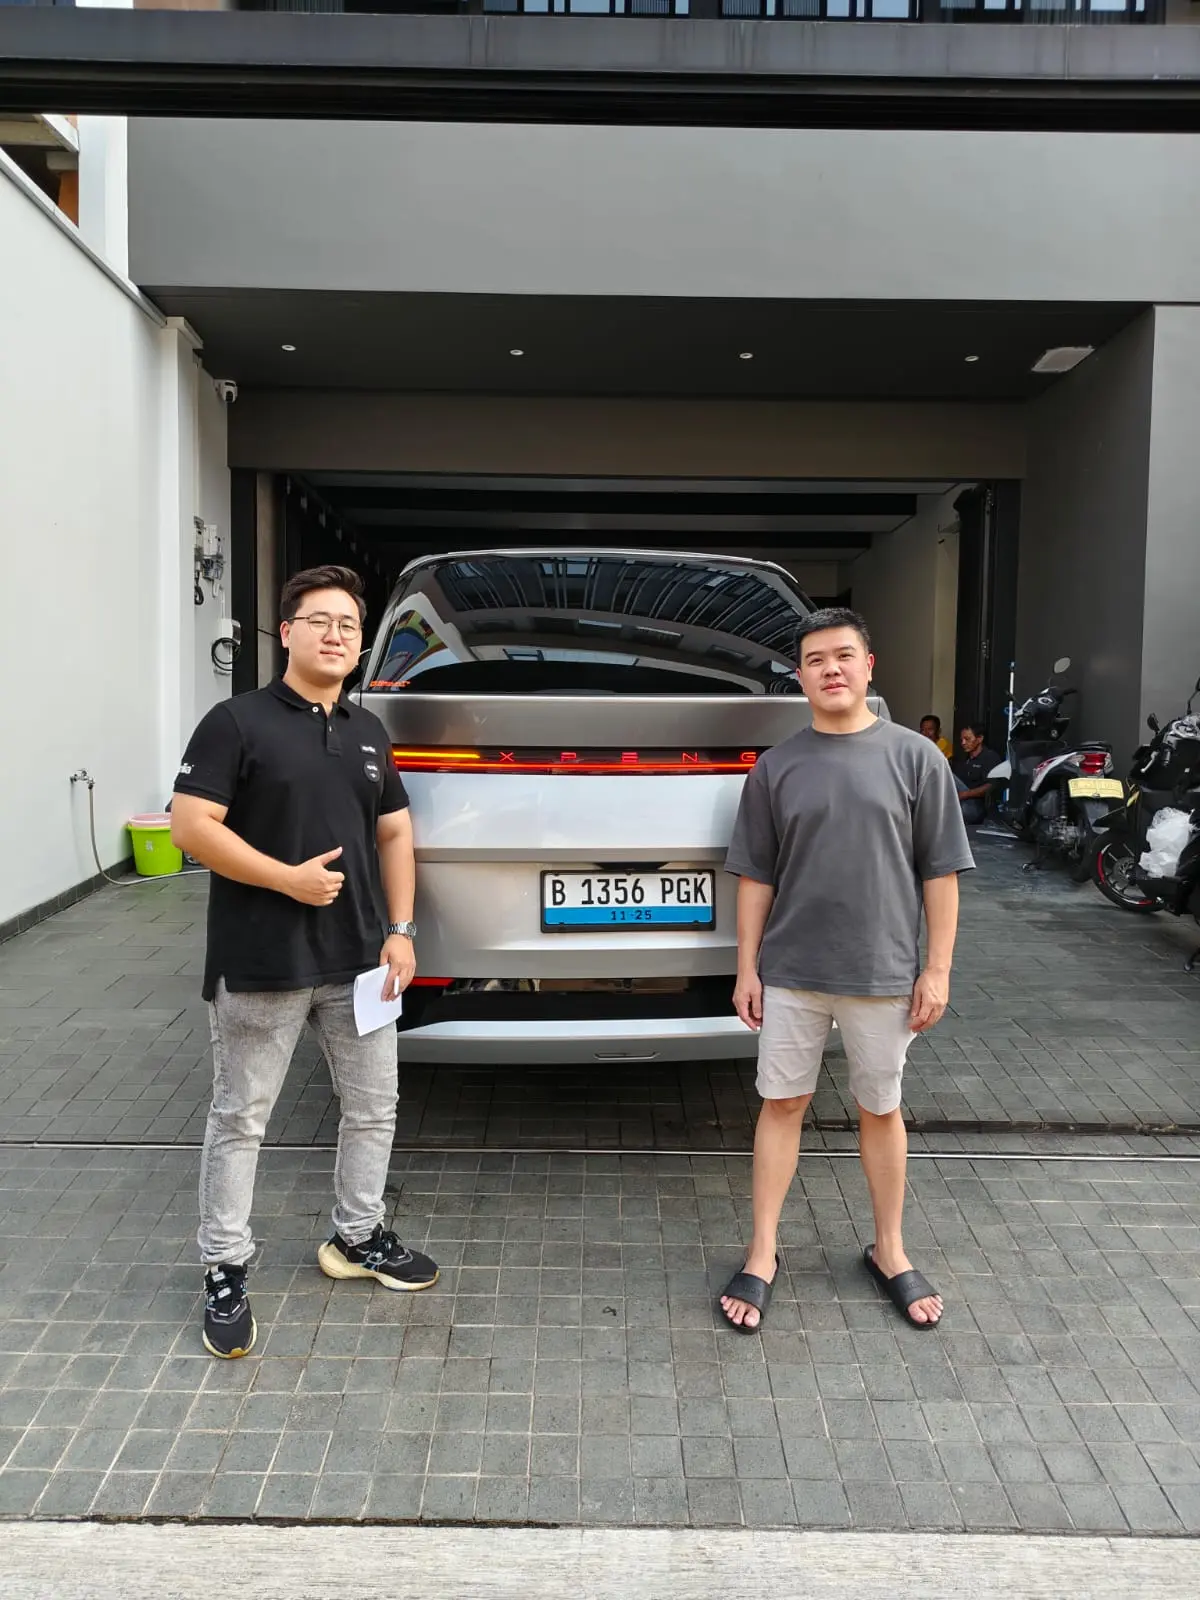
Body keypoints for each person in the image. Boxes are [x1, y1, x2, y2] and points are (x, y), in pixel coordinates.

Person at [171, 564, 438, 1360]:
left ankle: (357, 1237)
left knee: (374, 1108)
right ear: (286, 633)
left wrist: (401, 928)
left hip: (359, 960)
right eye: (319, 620)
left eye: (349, 625)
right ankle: (225, 1268)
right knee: (241, 1118)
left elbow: (395, 830)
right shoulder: (236, 722)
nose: (335, 634)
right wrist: (285, 879)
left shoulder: (367, 730)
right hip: (262, 962)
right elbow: (191, 825)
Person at [718, 608, 974, 1335]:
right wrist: (746, 969)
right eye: (815, 660)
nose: (830, 669)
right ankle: (762, 1251)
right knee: (782, 1104)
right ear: (799, 677)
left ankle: (889, 1250)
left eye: (843, 655)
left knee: (881, 1108)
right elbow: (756, 877)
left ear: (868, 666)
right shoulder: (776, 767)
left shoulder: (917, 759)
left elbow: (942, 874)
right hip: (792, 971)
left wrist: (937, 970)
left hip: (883, 972)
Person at [954, 720, 1002, 826]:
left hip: (978, 807)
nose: (963, 743)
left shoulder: (990, 757)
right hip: (960, 803)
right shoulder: (963, 759)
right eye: (962, 739)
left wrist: (964, 794)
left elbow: (991, 786)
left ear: (979, 739)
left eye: (967, 739)